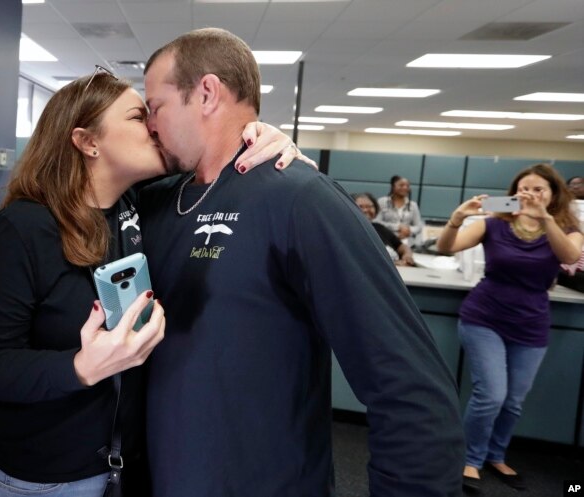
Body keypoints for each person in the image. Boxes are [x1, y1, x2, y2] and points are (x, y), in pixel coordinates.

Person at [140, 27, 464, 497]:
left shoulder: (301, 199)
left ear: (207, 93)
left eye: (155, 107)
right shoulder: (155, 202)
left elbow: (408, 388)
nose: (150, 125)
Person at [0, 67, 308, 497]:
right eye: (137, 118)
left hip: (126, 472)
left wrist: (264, 136)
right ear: (88, 142)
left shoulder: (140, 203)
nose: (156, 127)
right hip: (42, 479)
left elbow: (216, 158)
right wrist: (80, 368)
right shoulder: (24, 228)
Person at [436, 163, 583, 493]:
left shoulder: (567, 228)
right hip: (484, 317)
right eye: (524, 188)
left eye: (538, 189)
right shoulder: (494, 222)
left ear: (553, 194)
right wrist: (458, 217)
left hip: (531, 325)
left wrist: (545, 217)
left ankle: (495, 455)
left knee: (513, 400)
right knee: (491, 395)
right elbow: (447, 247)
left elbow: (570, 255)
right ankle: (470, 460)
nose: (530, 194)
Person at [352, 192, 415, 266]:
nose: (366, 210)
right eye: (360, 207)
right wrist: (394, 264)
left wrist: (407, 255)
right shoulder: (350, 232)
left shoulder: (379, 228)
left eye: (370, 206)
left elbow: (401, 246)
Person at [376, 175, 424, 247]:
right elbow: (376, 222)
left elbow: (418, 226)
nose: (405, 188)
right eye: (401, 185)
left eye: (407, 186)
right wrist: (398, 227)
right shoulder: (382, 202)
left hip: (408, 243)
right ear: (393, 187)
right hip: (386, 241)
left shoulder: (413, 205)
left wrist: (408, 230)